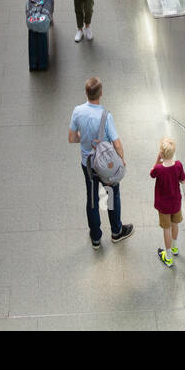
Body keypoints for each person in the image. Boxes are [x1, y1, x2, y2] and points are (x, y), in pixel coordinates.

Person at [68, 76, 133, 248]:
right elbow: (117, 143)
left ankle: (96, 238)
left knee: (92, 199)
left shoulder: (77, 111)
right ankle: (116, 231)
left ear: (86, 93)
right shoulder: (106, 116)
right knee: (111, 195)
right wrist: (122, 160)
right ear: (101, 93)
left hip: (87, 164)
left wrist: (85, 139)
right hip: (106, 166)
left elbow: (72, 138)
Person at [151, 138, 185, 267]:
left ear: (161, 153)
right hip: (176, 203)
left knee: (167, 229)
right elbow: (183, 180)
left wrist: (157, 159)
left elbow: (152, 173)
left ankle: (168, 257)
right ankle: (175, 247)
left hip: (163, 205)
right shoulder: (178, 165)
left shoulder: (159, 169)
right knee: (175, 224)